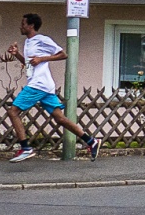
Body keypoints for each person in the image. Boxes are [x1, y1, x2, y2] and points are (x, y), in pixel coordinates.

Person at [6, 13, 101, 162]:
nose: (21, 26)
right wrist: (16, 54)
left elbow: (63, 54)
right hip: (45, 85)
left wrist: (43, 58)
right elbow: (30, 63)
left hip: (38, 84)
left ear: (31, 26)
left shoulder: (42, 40)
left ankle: (25, 148)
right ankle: (91, 141)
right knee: (60, 119)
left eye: (23, 24)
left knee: (13, 112)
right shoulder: (28, 42)